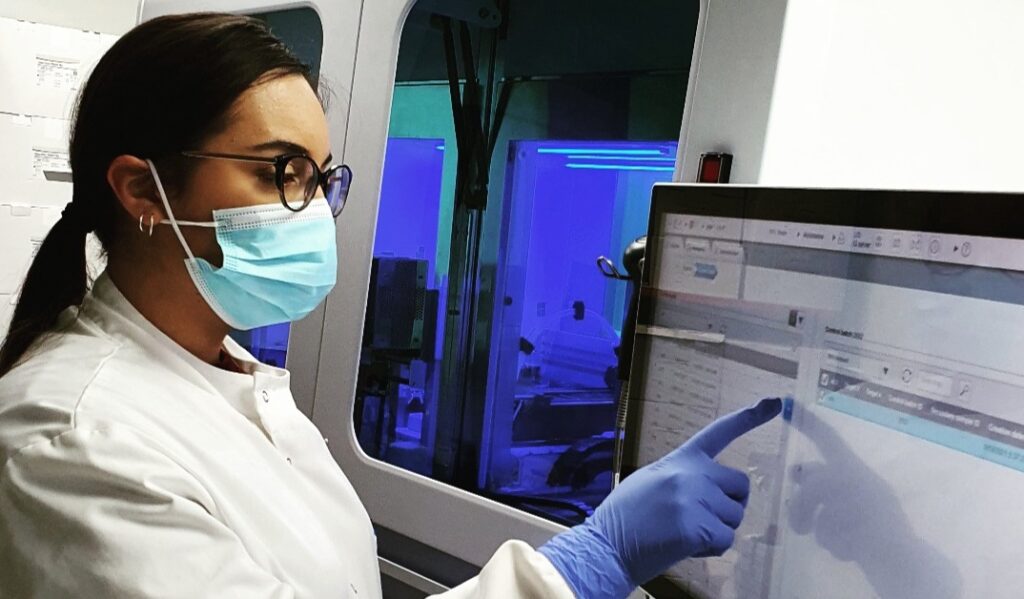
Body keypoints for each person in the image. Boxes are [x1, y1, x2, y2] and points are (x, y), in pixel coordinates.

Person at [0, 13, 781, 599]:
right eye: (279, 172)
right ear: (142, 189)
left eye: (319, 178)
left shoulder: (231, 383)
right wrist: (585, 564)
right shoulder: (70, 442)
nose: (313, 210)